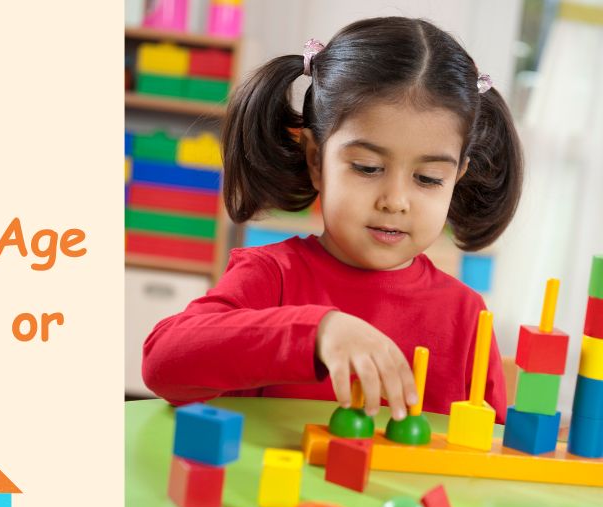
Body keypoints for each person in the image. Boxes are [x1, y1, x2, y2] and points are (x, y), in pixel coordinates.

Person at [142, 17, 521, 422]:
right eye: (367, 167)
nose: (395, 201)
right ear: (316, 160)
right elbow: (162, 361)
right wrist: (317, 332)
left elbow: (488, 456)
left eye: (428, 178)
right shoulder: (272, 277)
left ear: (456, 177)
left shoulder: (465, 316)